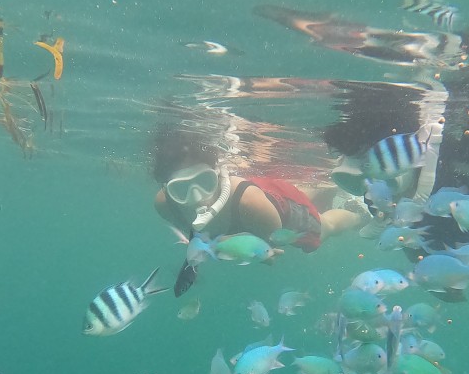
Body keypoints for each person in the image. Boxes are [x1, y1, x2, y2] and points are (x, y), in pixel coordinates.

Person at [150, 122, 367, 295]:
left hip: (273, 209)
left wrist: (238, 248)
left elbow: (272, 249)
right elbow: (197, 233)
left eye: (204, 182)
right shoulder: (165, 204)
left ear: (216, 173)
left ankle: (358, 215)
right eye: (181, 189)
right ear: (166, 188)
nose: (198, 199)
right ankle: (313, 189)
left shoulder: (251, 202)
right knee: (293, 194)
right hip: (256, 203)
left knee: (323, 226)